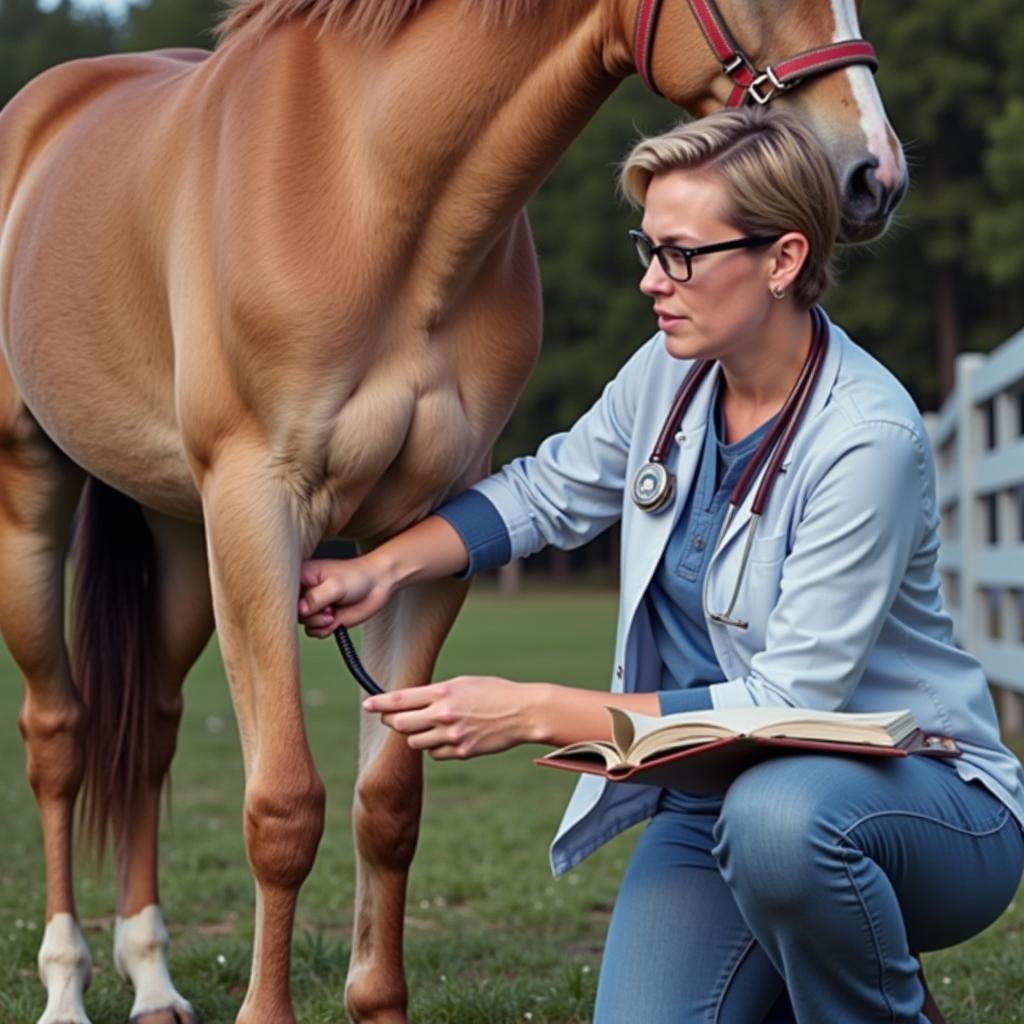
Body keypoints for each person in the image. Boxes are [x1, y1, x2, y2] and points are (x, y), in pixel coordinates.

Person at [297, 107, 1024, 1023]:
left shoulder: (867, 438)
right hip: (711, 796)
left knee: (780, 823)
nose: (652, 280)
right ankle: (795, 965)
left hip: (918, 801)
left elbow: (790, 702)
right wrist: (384, 568)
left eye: (680, 254)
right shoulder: (671, 371)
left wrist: (535, 711)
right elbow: (547, 492)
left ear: (784, 259)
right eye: (648, 246)